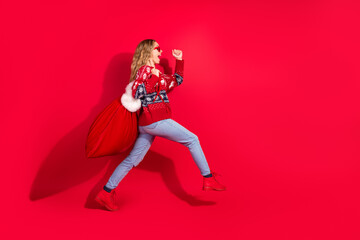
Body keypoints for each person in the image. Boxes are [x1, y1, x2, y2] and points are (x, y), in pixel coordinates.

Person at [95, 39, 226, 211]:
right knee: (192, 140)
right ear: (149, 51)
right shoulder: (145, 70)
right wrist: (153, 78)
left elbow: (176, 80)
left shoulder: (156, 73)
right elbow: (136, 92)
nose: (161, 51)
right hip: (156, 120)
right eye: (158, 48)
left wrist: (179, 60)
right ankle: (208, 177)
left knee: (132, 160)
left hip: (147, 125)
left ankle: (106, 192)